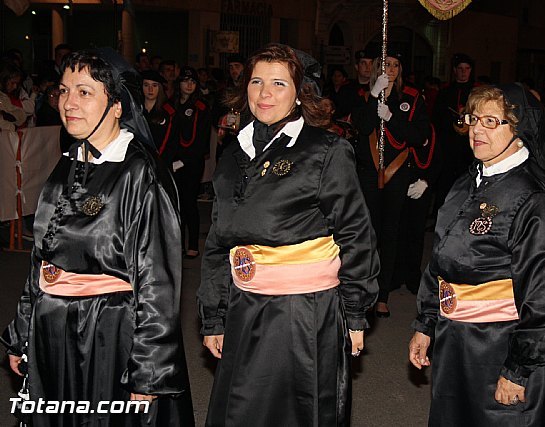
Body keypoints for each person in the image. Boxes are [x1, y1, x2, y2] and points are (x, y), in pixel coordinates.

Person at [1, 48, 194, 426]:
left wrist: (149, 367)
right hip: (54, 334)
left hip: (107, 337)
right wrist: (23, 330)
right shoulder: (69, 163)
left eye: (85, 92)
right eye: (63, 90)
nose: (68, 103)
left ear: (118, 104)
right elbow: (43, 256)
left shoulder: (140, 174)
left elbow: (158, 282)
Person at [197, 43, 379, 426]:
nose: (265, 93)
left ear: (300, 93)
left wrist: (356, 312)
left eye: (279, 83)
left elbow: (356, 232)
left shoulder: (326, 150)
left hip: (303, 311)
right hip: (244, 307)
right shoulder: (233, 154)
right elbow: (217, 241)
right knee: (240, 410)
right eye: (257, 81)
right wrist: (214, 317)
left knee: (298, 413)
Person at [409, 83, 545, 426]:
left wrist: (518, 369)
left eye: (491, 121)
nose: (476, 129)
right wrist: (427, 324)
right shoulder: (465, 184)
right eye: (473, 118)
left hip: (499, 348)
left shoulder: (536, 200)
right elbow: (441, 261)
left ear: (520, 130)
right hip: (457, 344)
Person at [351, 50, 430, 317]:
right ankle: (364, 289)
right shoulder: (365, 93)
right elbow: (361, 126)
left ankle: (383, 294)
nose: (392, 69)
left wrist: (392, 119)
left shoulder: (411, 97)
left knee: (390, 234)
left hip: (397, 174)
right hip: (368, 173)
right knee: (367, 234)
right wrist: (374, 95)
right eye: (386, 64)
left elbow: (420, 136)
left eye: (396, 64)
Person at [166, 65, 212, 259]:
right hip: (172, 161)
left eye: (193, 81)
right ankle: (177, 244)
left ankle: (192, 244)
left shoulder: (201, 107)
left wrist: (183, 160)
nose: (189, 85)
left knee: (189, 203)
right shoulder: (170, 105)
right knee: (174, 205)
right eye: (186, 81)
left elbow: (201, 139)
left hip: (191, 162)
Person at [431, 53, 478, 213]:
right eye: (460, 69)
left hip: (469, 148)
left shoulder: (476, 94)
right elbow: (436, 119)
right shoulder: (445, 93)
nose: (463, 72)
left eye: (467, 69)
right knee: (445, 184)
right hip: (448, 146)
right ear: (454, 71)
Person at [141, 69, 173, 157]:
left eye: (154, 85)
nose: (150, 89)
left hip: (161, 160)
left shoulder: (168, 112)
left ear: (160, 88)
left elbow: (171, 142)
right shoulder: (136, 110)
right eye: (146, 85)